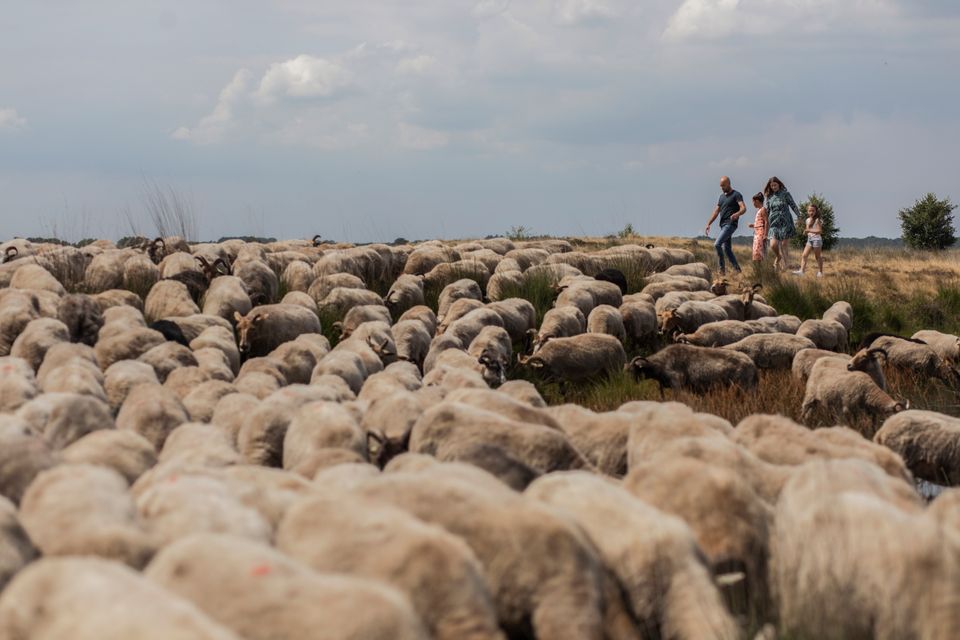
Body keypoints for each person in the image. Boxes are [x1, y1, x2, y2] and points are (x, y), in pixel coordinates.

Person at [704, 176, 746, 276]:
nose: (722, 188)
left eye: (723, 185)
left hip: (731, 224)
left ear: (728, 184)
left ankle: (722, 270)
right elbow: (716, 211)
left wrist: (737, 214)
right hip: (723, 225)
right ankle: (737, 270)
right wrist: (708, 223)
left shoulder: (736, 194)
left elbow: (744, 208)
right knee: (727, 249)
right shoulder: (721, 197)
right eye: (720, 186)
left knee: (717, 244)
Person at [764, 176, 802, 271]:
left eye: (775, 185)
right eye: (771, 186)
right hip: (774, 223)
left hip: (785, 222)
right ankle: (778, 257)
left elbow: (793, 205)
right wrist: (765, 224)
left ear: (779, 184)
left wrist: (799, 216)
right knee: (773, 244)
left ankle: (785, 266)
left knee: (784, 244)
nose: (773, 187)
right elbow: (768, 211)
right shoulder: (769, 197)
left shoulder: (785, 194)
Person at [794, 203, 824, 277]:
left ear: (816, 211)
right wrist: (805, 231)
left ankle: (820, 272)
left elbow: (820, 231)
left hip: (817, 240)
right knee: (804, 255)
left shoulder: (817, 220)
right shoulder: (807, 220)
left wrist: (809, 230)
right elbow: (807, 229)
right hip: (809, 239)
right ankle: (802, 271)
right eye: (809, 211)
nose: (811, 212)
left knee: (817, 257)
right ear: (807, 211)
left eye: (813, 211)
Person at [747, 192, 768, 263]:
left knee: (759, 251)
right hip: (757, 233)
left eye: (753, 202)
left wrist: (765, 234)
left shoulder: (763, 209)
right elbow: (760, 222)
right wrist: (752, 225)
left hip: (760, 234)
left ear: (757, 201)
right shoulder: (759, 210)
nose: (753, 204)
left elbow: (766, 222)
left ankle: (761, 268)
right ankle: (759, 268)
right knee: (756, 251)